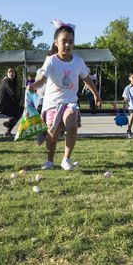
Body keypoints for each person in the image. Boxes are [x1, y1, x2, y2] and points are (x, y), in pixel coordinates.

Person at [27, 21, 101, 171]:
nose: (67, 45)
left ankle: (66, 159)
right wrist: (34, 86)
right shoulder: (51, 61)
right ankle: (49, 160)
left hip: (70, 102)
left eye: (71, 42)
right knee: (52, 136)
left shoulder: (78, 62)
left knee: (72, 127)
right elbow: (42, 79)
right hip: (52, 103)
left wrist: (96, 95)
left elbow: (86, 78)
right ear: (56, 42)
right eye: (64, 41)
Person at [0, 68, 22, 137]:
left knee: (19, 112)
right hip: (1, 105)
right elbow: (12, 94)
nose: (11, 73)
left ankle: (8, 127)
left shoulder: (11, 82)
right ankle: (9, 127)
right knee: (20, 111)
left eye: (13, 72)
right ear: (6, 73)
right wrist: (19, 104)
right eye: (9, 71)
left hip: (5, 104)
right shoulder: (6, 81)